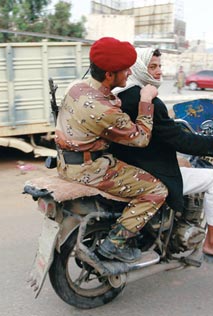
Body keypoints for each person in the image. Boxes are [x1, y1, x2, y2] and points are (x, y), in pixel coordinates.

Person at [110, 47, 213, 264]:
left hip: (125, 165)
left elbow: (162, 134)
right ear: (138, 68)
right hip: (150, 171)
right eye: (153, 66)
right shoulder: (148, 101)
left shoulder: (119, 97)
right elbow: (179, 140)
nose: (159, 71)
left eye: (160, 66)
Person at [54, 37, 168, 263]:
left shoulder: (77, 88)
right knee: (157, 191)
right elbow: (141, 139)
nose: (128, 73)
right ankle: (114, 244)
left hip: (66, 163)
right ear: (109, 74)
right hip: (91, 169)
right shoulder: (103, 109)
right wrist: (146, 101)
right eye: (125, 70)